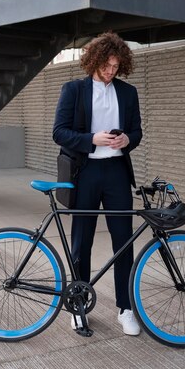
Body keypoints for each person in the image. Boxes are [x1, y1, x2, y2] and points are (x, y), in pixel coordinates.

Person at [53, 31, 142, 336]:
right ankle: (78, 307)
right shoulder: (74, 90)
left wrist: (127, 139)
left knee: (124, 242)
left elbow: (138, 132)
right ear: (95, 60)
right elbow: (59, 132)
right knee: (82, 241)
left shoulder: (128, 93)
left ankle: (125, 308)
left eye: (116, 67)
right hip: (85, 172)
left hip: (117, 171)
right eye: (106, 66)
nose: (110, 72)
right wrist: (92, 139)